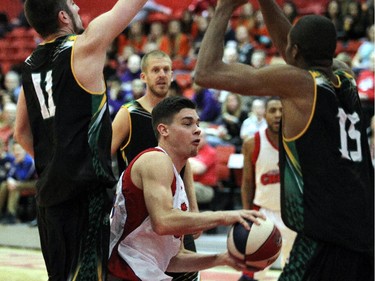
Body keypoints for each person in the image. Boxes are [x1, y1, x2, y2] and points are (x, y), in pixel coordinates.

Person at [195, 0, 374, 280]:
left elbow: (206, 73)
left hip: (325, 234)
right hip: (364, 228)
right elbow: (295, 50)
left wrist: (223, 10)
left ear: (293, 50)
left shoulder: (300, 84)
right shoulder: (344, 74)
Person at [14, 0, 149, 280]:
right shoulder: (83, 46)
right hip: (85, 191)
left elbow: (20, 133)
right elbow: (128, 7)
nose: (78, 8)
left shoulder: (29, 66)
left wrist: (56, 160)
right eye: (73, 5)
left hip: (49, 193)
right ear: (63, 16)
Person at [107, 96, 265, 281]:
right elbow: (163, 222)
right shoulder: (155, 160)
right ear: (163, 130)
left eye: (197, 123)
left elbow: (173, 259)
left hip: (142, 272)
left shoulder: (175, 177)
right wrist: (226, 216)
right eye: (187, 123)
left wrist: (221, 259)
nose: (198, 129)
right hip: (122, 272)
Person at [111, 50, 200, 280]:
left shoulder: (178, 116)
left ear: (173, 75)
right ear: (143, 77)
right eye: (155, 70)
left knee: (188, 273)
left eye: (166, 70)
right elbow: (102, 159)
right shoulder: (128, 114)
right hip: (139, 219)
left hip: (175, 209)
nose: (162, 75)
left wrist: (193, 207)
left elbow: (184, 164)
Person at [239, 97, 296, 281]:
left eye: (281, 110)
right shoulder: (252, 143)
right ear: (264, 114)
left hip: (293, 214)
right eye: (273, 110)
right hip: (263, 213)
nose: (277, 115)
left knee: (296, 270)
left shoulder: (298, 142)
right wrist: (247, 214)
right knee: (253, 273)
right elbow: (247, 183)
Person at [0, 142, 36, 225]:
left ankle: (11, 215)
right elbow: (9, 174)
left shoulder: (29, 161)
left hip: (33, 183)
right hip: (21, 183)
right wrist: (9, 180)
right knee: (4, 185)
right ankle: (3, 212)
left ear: (24, 151)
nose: (17, 152)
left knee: (15, 186)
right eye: (15, 150)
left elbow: (24, 177)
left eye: (19, 150)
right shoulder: (16, 160)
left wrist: (16, 165)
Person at [189, 131, 217, 206]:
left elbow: (199, 170)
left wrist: (185, 159)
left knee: (183, 187)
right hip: (191, 183)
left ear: (206, 139)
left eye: (200, 136)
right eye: (194, 136)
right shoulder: (188, 150)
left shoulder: (210, 152)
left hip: (205, 188)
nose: (197, 138)